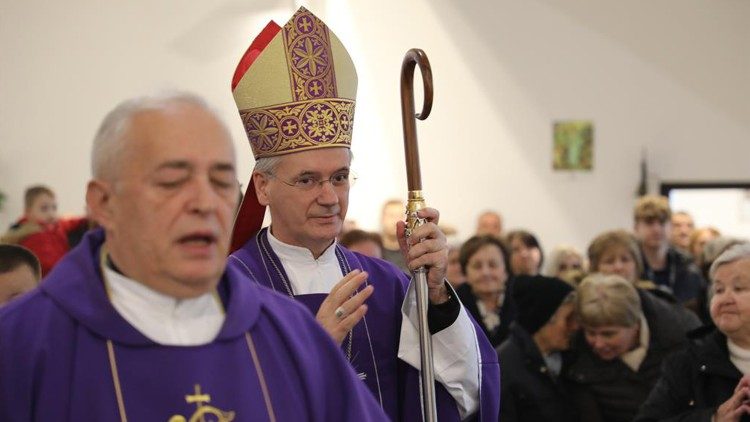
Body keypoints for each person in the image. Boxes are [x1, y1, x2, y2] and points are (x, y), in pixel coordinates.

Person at [0, 92, 387, 421]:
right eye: (172, 182)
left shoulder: (293, 338)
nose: (205, 203)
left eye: (220, 182)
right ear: (103, 204)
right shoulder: (21, 343)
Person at [226, 7, 499, 421]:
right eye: (307, 180)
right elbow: (213, 400)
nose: (330, 197)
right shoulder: (227, 290)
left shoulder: (388, 285)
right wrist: (311, 349)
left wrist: (437, 294)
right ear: (263, 187)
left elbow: (464, 388)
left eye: (339, 177)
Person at [635, 243, 750, 422]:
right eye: (719, 290)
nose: (725, 299)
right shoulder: (688, 361)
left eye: (739, 288)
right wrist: (713, 418)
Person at [567, 274, 699, 422]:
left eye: (608, 334)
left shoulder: (683, 337)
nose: (598, 344)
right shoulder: (576, 353)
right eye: (591, 333)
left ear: (635, 325)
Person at [497, 275, 579, 422]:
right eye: (568, 319)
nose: (575, 327)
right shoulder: (503, 368)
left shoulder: (567, 357)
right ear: (543, 319)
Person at [633, 195, 705, 309]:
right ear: (636, 227)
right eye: (649, 222)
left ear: (670, 226)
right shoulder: (628, 266)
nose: (657, 229)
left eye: (662, 222)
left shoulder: (689, 268)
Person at [2, 185, 88, 276]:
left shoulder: (56, 225)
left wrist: (87, 218)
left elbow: (71, 222)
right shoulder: (33, 236)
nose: (51, 214)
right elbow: (48, 265)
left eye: (54, 208)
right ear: (28, 212)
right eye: (44, 209)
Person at [456, 235, 514, 346]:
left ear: (506, 271)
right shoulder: (455, 306)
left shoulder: (522, 302)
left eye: (493, 265)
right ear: (465, 273)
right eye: (477, 266)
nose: (485, 272)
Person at [379, 199, 409, 272]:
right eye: (391, 216)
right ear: (382, 218)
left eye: (400, 216)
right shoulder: (374, 251)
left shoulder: (413, 251)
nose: (396, 221)